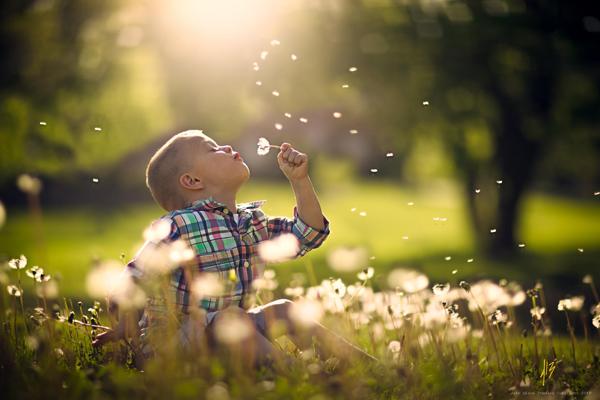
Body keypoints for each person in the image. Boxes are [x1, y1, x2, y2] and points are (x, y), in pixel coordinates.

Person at [93, 129, 376, 368]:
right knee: (231, 318)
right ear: (192, 181)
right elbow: (134, 278)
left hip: (231, 333)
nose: (226, 146)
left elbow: (308, 234)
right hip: (173, 350)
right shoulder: (177, 225)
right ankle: (305, 382)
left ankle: (366, 370)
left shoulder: (248, 223)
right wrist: (127, 321)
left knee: (284, 310)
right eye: (212, 149)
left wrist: (299, 180)